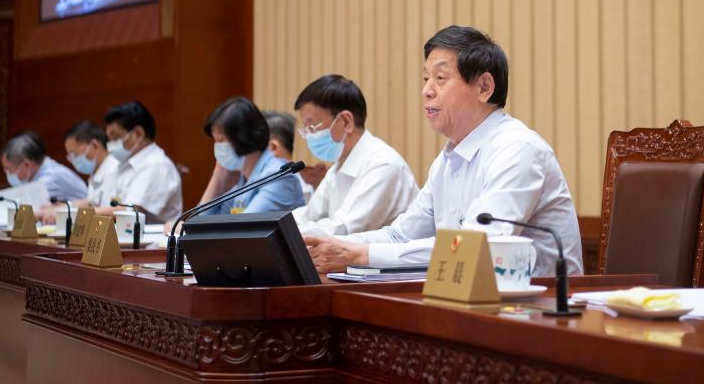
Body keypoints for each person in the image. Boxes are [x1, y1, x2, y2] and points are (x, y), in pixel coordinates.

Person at [302, 26, 583, 276]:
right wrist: (340, 246)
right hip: (472, 301)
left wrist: (361, 255)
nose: (426, 90)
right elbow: (401, 236)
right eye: (425, 79)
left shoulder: (517, 149)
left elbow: (477, 250)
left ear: (484, 87)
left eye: (440, 77)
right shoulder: (447, 160)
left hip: (543, 310)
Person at [290, 75, 418, 236]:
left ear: (345, 121)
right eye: (306, 128)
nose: (309, 135)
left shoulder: (383, 164)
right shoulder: (339, 166)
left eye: (313, 126)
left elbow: (344, 230)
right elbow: (310, 215)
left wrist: (289, 234)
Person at [195, 97, 304, 215]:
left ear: (243, 138)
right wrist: (216, 182)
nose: (217, 147)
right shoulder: (240, 179)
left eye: (221, 140)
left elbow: (244, 229)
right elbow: (200, 225)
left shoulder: (278, 175)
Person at [103, 100, 182, 223]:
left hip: (154, 242)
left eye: (116, 138)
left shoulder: (156, 164)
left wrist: (84, 214)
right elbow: (110, 205)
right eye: (110, 139)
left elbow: (131, 212)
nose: (111, 144)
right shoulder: (124, 164)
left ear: (138, 134)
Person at [0, 131, 87, 202]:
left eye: (10, 170)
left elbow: (29, 207)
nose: (8, 174)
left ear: (26, 164)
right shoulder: (36, 174)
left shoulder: (52, 177)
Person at [64, 120, 118, 208]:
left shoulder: (114, 168)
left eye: (75, 154)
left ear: (94, 145)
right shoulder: (97, 171)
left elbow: (113, 210)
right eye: (70, 156)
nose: (74, 160)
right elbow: (92, 202)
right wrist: (66, 207)